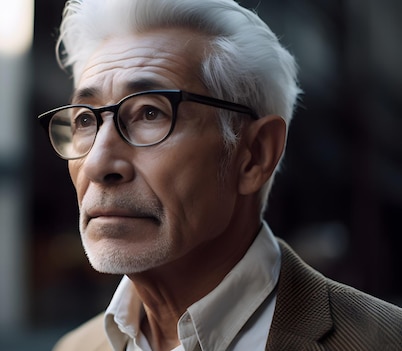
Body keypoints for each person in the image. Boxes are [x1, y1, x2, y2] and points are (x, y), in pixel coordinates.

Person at [37, 0, 402, 350]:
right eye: (85, 120)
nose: (98, 164)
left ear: (255, 154)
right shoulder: (75, 347)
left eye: (150, 113)